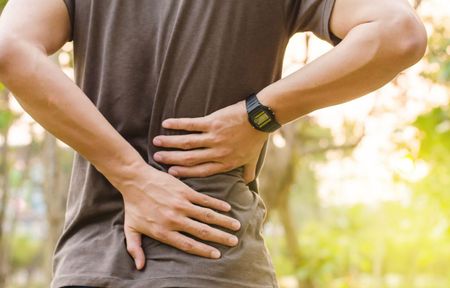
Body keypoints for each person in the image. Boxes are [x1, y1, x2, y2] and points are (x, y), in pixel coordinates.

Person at [0, 0, 426, 287]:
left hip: (88, 264)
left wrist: (130, 175)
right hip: (211, 257)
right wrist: (259, 114)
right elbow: (398, 32)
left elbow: (10, 47)